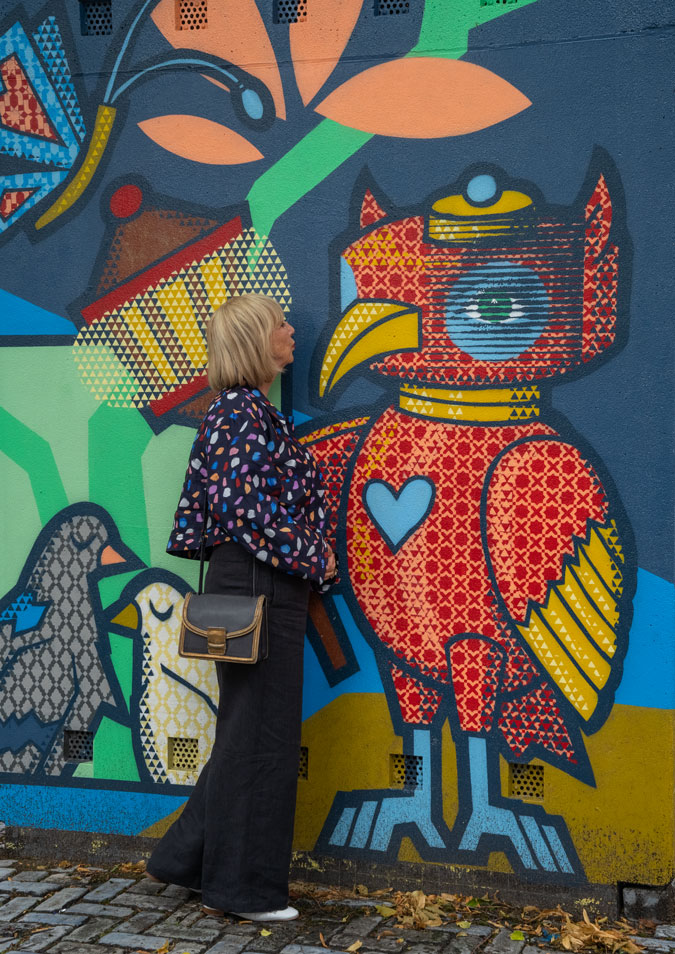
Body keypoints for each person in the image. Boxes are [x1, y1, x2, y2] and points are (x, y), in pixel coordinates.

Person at [146, 294, 336, 921]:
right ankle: (244, 892)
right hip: (261, 582)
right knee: (263, 740)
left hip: (261, 579)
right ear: (258, 339)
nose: (291, 329)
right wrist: (314, 559)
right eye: (281, 323)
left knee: (247, 734)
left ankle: (184, 860)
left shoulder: (248, 412)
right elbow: (245, 513)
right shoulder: (242, 414)